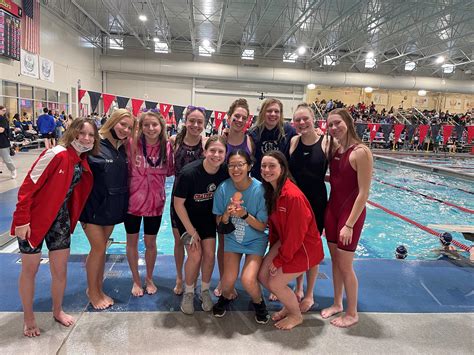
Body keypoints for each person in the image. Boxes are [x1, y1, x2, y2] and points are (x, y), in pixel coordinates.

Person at [11, 117, 99, 337]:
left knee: (60, 271)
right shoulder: (55, 154)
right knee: (30, 270)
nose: (86, 138)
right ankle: (29, 318)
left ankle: (57, 310)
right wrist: (22, 219)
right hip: (34, 220)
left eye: (90, 135)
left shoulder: (81, 159)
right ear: (72, 133)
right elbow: (28, 186)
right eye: (81, 133)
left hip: (59, 220)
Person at [258, 151, 324, 330]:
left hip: (304, 247)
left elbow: (297, 234)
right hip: (287, 243)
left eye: (272, 166)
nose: (267, 170)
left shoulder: (292, 196)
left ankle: (296, 315)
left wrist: (280, 259)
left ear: (282, 168)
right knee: (263, 275)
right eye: (263, 166)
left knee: (275, 283)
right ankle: (289, 306)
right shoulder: (272, 191)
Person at [80, 109, 135, 309]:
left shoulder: (122, 148)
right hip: (92, 208)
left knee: (101, 250)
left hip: (111, 209)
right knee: (98, 248)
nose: (125, 129)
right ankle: (93, 292)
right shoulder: (94, 144)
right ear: (112, 122)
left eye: (129, 127)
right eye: (122, 124)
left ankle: (97, 287)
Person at [322, 108, 373, 328]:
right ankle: (337, 303)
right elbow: (338, 179)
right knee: (335, 262)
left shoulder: (361, 152)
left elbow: (363, 193)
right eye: (330, 125)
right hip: (332, 210)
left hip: (349, 215)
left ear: (348, 123)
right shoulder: (335, 149)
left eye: (337, 123)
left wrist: (349, 224)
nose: (333, 128)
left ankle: (352, 312)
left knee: (345, 265)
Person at [211, 150, 269, 323]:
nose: (235, 169)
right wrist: (227, 215)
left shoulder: (260, 190)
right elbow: (219, 223)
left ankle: (259, 302)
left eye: (240, 165)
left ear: (249, 166)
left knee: (248, 280)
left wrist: (244, 214)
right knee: (227, 282)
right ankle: (226, 297)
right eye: (231, 165)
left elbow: (261, 226)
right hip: (233, 238)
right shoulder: (223, 189)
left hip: (255, 240)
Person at [173, 136, 228, 315]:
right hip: (186, 218)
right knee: (195, 255)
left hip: (206, 219)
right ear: (205, 151)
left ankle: (204, 290)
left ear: (225, 154)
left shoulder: (225, 172)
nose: (216, 155)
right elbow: (178, 204)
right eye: (212, 150)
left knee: (210, 255)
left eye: (220, 151)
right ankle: (189, 292)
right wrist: (191, 230)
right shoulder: (189, 173)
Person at [125, 110, 174, 296]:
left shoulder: (167, 147)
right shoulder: (131, 144)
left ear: (162, 127)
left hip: (155, 204)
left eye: (154, 125)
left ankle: (149, 278)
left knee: (150, 242)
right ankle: (136, 280)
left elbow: (170, 171)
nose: (151, 128)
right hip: (132, 203)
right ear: (140, 126)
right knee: (132, 242)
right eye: (146, 125)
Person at [289, 103, 329, 312]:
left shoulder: (327, 142)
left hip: (316, 202)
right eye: (298, 120)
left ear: (313, 119)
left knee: (312, 248)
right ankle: (297, 287)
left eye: (306, 118)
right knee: (295, 244)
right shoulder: (294, 141)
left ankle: (310, 292)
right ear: (294, 123)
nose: (302, 122)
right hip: (295, 203)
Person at [213, 98, 253, 298]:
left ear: (248, 120)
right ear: (229, 117)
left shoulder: (250, 140)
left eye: (243, 117)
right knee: (223, 239)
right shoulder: (221, 140)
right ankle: (224, 279)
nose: (239, 120)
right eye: (236, 116)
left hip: (242, 197)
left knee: (242, 238)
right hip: (221, 195)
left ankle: (242, 277)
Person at [169, 106, 207, 295]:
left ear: (205, 124)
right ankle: (179, 277)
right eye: (192, 121)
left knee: (197, 243)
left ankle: (194, 277)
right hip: (178, 198)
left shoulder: (206, 144)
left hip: (199, 200)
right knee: (178, 241)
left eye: (200, 122)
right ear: (185, 121)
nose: (195, 125)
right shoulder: (174, 141)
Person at [248, 98, 296, 181]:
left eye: (276, 111)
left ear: (281, 114)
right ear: (262, 112)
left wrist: (315, 132)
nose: (273, 114)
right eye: (269, 111)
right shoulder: (253, 132)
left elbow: (303, 139)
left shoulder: (289, 130)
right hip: (260, 180)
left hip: (281, 181)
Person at [0, 105, 17, 178]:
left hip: (3, 142)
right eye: (3, 110)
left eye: (4, 111)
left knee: (7, 159)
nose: (4, 112)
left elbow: (1, 130)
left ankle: (13, 170)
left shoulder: (3, 119)